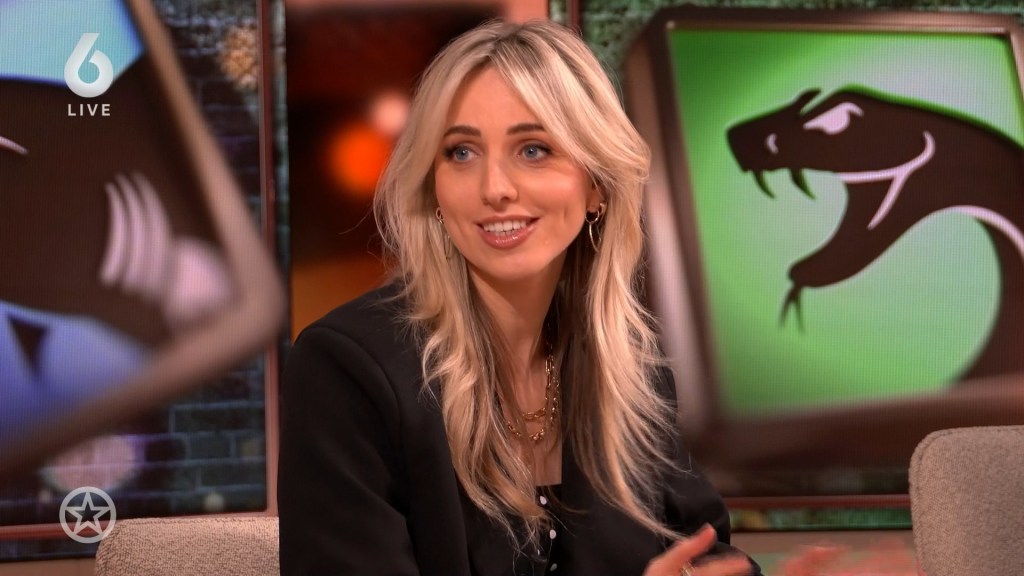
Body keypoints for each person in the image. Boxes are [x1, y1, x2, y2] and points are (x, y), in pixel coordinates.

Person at [279, 19, 761, 576]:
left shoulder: (631, 367)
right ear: (433, 186)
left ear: (597, 185)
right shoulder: (346, 371)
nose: (495, 189)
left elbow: (705, 550)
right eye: (461, 152)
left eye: (533, 149)